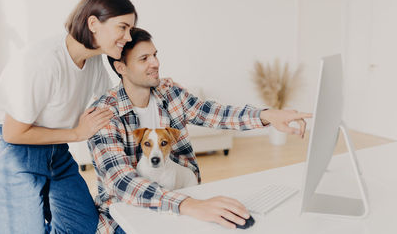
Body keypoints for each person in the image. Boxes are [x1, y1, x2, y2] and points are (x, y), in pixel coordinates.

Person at [87, 27, 311, 234]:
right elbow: (121, 181)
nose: (155, 63)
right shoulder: (105, 113)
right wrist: (188, 205)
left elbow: (213, 112)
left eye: (155, 55)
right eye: (144, 59)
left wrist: (267, 115)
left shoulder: (169, 92)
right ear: (120, 67)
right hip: (126, 214)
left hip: (182, 196)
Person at [0, 0, 140, 234]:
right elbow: (13, 133)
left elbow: (110, 105)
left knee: (83, 226)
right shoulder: (43, 62)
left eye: (130, 30)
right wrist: (76, 134)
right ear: (93, 23)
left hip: (56, 152)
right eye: (123, 27)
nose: (128, 37)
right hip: (15, 152)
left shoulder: (94, 61)